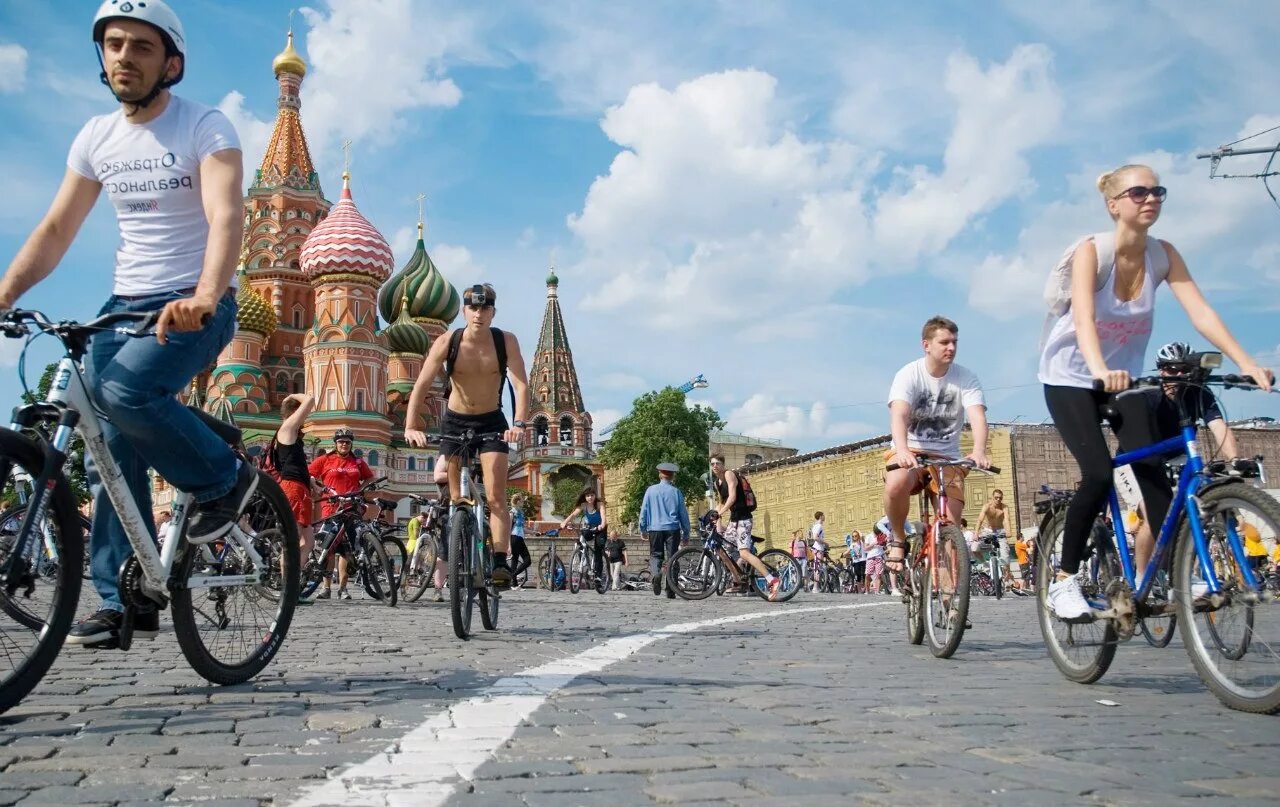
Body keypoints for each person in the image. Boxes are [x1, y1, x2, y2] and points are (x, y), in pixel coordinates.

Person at [0, 1, 255, 648]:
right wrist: (5, 293)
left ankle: (226, 476)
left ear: (170, 63)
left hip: (194, 300)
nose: (123, 56)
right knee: (107, 438)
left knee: (124, 394)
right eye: (113, 44)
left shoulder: (206, 126)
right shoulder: (95, 137)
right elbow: (57, 228)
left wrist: (205, 293)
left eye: (141, 47)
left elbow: (227, 217)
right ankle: (126, 598)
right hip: (122, 306)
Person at [1038, 163, 1273, 619]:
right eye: (1139, 192)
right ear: (1114, 205)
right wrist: (1100, 367)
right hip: (1070, 377)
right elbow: (1084, 316)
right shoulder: (1093, 252)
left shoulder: (1163, 255)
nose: (1151, 198)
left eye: (1157, 191)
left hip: (1124, 380)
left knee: (1154, 473)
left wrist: (1247, 364)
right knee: (1100, 472)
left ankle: (1178, 572)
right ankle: (1065, 581)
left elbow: (1200, 311)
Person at [404, 283, 529, 587]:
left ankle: (499, 561)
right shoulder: (449, 341)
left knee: (497, 495)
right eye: (473, 308)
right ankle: (461, 537)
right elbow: (421, 384)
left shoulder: (505, 341)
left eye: (485, 308)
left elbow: (521, 385)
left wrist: (519, 425)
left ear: (493, 312)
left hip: (492, 423)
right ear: (464, 311)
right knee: (456, 497)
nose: (479, 314)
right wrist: (411, 426)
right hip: (455, 423)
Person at [883, 316, 990, 578]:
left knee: (950, 527)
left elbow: (977, 415)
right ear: (926, 345)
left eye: (954, 342)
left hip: (947, 456)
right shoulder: (909, 374)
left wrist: (978, 450)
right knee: (896, 482)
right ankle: (898, 538)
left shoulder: (966, 378)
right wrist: (903, 449)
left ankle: (950, 604)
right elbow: (899, 414)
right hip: (913, 451)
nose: (950, 347)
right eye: (944, 342)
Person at [308, 429, 373, 599]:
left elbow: (369, 478)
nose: (344, 444)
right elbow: (309, 474)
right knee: (329, 548)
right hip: (331, 508)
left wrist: (359, 490)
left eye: (347, 442)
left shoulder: (357, 462)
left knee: (347, 550)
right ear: (335, 443)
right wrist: (319, 488)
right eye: (341, 442)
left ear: (351, 444)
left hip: (351, 508)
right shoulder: (326, 459)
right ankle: (326, 587)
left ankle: (343, 588)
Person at [710, 453, 782, 600]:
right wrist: (714, 518)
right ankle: (738, 580)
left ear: (723, 465)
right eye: (712, 464)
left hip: (744, 519)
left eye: (717, 463)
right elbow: (721, 503)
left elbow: (732, 497)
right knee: (720, 548)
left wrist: (721, 513)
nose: (715, 466)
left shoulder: (729, 474)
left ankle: (772, 580)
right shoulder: (717, 483)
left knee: (743, 553)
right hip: (734, 520)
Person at [267, 393, 316, 602]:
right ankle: (288, 590)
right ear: (294, 413)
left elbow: (293, 464)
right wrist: (293, 396)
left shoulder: (292, 435)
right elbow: (311, 399)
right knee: (292, 540)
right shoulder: (286, 429)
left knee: (309, 540)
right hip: (292, 489)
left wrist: (312, 482)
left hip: (300, 488)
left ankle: (292, 581)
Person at [639, 462, 691, 598]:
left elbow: (643, 511)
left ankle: (656, 574)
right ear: (672, 476)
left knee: (656, 555)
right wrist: (686, 532)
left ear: (660, 474)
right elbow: (683, 514)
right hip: (672, 529)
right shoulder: (676, 492)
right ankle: (670, 589)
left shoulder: (650, 490)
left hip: (655, 529)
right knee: (673, 558)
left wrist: (643, 528)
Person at [560, 489, 607, 585]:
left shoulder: (599, 504)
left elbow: (603, 516)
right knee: (583, 536)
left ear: (595, 496)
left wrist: (602, 524)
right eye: (588, 496)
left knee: (598, 551)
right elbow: (573, 514)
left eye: (592, 495)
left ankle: (598, 576)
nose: (590, 497)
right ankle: (583, 555)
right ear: (585, 497)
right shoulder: (583, 505)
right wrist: (565, 522)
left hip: (600, 529)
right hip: (590, 527)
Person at [510, 491, 532, 587]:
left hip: (519, 537)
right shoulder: (512, 513)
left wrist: (534, 532)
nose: (523, 503)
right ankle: (513, 578)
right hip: (514, 538)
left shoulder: (521, 513)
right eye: (522, 501)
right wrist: (508, 545)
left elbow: (522, 528)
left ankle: (513, 582)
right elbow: (508, 529)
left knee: (518, 561)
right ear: (518, 502)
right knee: (525, 560)